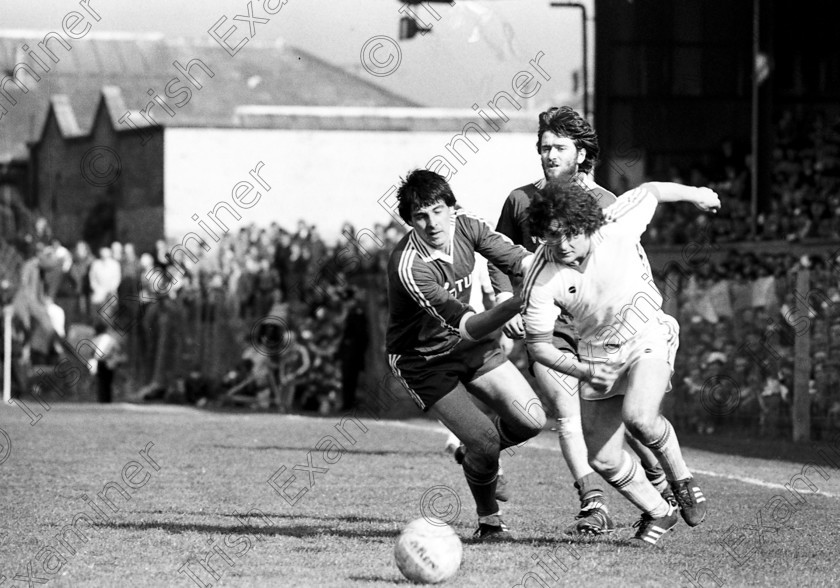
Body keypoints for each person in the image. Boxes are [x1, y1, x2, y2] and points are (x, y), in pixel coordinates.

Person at [488, 106, 672, 535]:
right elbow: (499, 254)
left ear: (582, 152)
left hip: (598, 329)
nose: (549, 155)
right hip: (549, 327)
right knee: (567, 415)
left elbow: (627, 263)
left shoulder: (606, 202)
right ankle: (593, 504)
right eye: (544, 148)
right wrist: (503, 297)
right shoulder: (520, 199)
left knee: (622, 422)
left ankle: (657, 478)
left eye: (559, 148)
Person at [522, 179, 718, 546]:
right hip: (596, 354)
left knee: (640, 417)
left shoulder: (616, 223)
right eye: (552, 236)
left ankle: (682, 480)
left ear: (586, 224)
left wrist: (698, 195)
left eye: (571, 234)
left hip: (647, 332)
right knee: (603, 458)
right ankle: (660, 511)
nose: (564, 245)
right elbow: (540, 348)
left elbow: (653, 190)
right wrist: (587, 371)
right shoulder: (539, 275)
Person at [386, 169, 545, 541]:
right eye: (420, 216)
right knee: (486, 442)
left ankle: (476, 452)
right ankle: (490, 522)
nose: (431, 223)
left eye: (438, 211)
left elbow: (518, 259)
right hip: (423, 360)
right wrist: (520, 302)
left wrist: (554, 269)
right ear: (410, 222)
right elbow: (468, 325)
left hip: (468, 348)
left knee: (532, 419)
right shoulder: (409, 265)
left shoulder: (469, 227)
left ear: (452, 209)